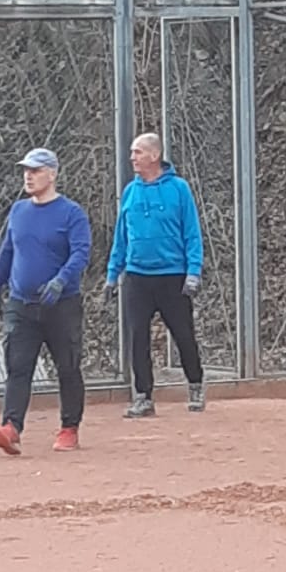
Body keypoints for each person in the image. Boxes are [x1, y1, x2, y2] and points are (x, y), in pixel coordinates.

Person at [0, 146, 92, 455]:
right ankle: (11, 427)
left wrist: (61, 280)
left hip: (61, 305)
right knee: (18, 367)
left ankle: (69, 428)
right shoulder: (18, 211)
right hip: (22, 304)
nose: (28, 176)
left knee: (67, 367)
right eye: (26, 170)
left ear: (52, 174)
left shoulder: (71, 213)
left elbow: (81, 252)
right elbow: (8, 250)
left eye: (35, 170)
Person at [103, 132, 206, 416]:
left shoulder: (179, 189)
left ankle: (195, 385)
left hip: (173, 276)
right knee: (138, 337)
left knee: (183, 334)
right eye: (132, 152)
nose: (132, 158)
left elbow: (192, 233)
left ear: (154, 155)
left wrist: (193, 272)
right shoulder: (130, 192)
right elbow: (121, 237)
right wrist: (112, 274)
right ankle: (143, 397)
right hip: (137, 277)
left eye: (137, 152)